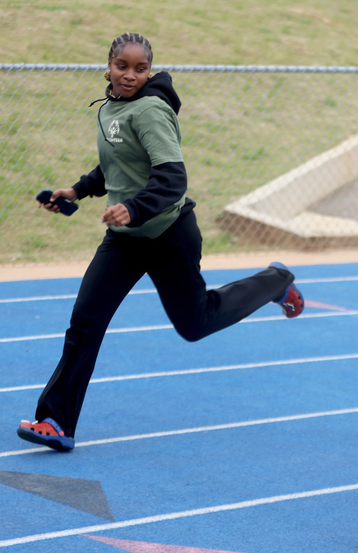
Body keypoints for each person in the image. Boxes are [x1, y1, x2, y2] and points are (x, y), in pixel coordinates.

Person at [17, 33, 305, 452]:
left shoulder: (151, 110)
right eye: (122, 65)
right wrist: (76, 192)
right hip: (124, 239)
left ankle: (275, 281)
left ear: (149, 71)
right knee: (85, 321)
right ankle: (56, 421)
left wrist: (133, 209)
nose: (129, 74)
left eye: (139, 68)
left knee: (195, 323)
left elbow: (172, 179)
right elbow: (115, 163)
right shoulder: (113, 108)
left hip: (168, 234)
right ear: (108, 66)